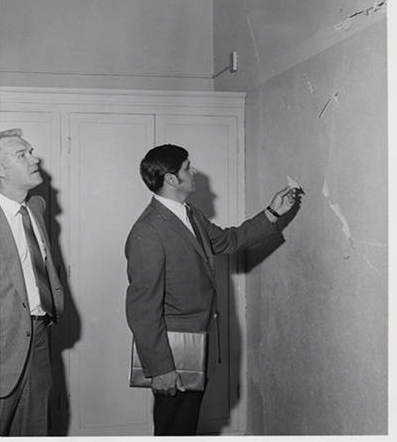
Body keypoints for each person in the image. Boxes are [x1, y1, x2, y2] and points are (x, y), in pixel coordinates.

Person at [125, 143, 299, 436]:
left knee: (184, 426)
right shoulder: (148, 231)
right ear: (170, 179)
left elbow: (228, 241)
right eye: (186, 167)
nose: (193, 172)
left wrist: (272, 212)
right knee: (173, 427)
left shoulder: (189, 214)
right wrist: (161, 368)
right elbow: (142, 308)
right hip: (174, 355)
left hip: (197, 344)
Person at [0, 128, 64, 436]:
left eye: (31, 150)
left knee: (35, 429)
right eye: (21, 154)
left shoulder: (36, 207)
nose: (34, 158)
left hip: (38, 336)